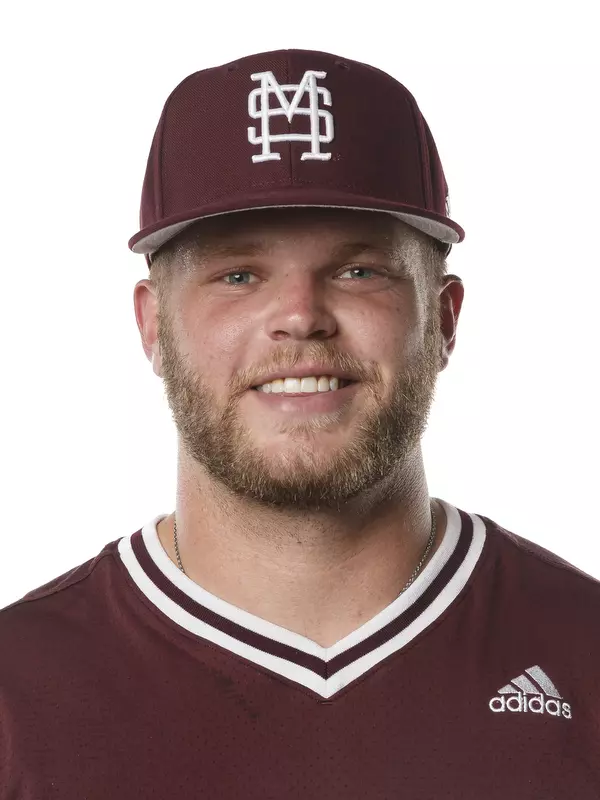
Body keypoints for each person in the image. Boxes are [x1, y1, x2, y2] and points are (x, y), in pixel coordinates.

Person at [1, 48, 598, 800]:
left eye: (358, 270)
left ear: (444, 319)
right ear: (153, 326)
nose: (300, 317)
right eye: (238, 275)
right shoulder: (17, 698)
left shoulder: (586, 658)